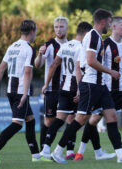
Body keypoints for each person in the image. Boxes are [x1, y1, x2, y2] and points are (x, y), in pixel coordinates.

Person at [50, 8, 122, 164]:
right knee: (80, 120)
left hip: (100, 85)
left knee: (111, 116)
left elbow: (83, 61)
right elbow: (90, 61)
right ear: (103, 21)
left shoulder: (95, 36)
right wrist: (110, 71)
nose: (110, 25)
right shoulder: (93, 36)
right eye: (110, 22)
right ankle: (57, 151)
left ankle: (121, 155)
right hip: (91, 84)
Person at [74, 16, 122, 161]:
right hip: (107, 90)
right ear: (113, 27)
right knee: (93, 120)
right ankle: (80, 152)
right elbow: (94, 63)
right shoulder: (105, 44)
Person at [40, 21, 114, 161]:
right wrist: (80, 90)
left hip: (64, 88)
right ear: (86, 33)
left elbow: (54, 65)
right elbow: (79, 69)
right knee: (85, 119)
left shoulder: (65, 46)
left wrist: (46, 84)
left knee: (60, 120)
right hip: (77, 90)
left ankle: (46, 149)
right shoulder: (82, 47)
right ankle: (90, 152)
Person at [0, 20, 49, 163]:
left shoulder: (12, 46)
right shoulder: (28, 49)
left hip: (10, 90)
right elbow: (27, 72)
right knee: (17, 124)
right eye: (36, 31)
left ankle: (36, 156)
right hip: (20, 91)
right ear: (32, 31)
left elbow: (1, 69)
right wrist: (25, 94)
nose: (36, 34)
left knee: (30, 120)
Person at [35, 16, 69, 150]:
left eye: (61, 27)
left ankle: (69, 151)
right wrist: (39, 54)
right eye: (56, 27)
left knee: (70, 119)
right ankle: (43, 150)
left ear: (67, 28)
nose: (58, 30)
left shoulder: (72, 45)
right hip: (51, 89)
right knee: (49, 121)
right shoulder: (49, 45)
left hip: (67, 89)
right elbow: (38, 65)